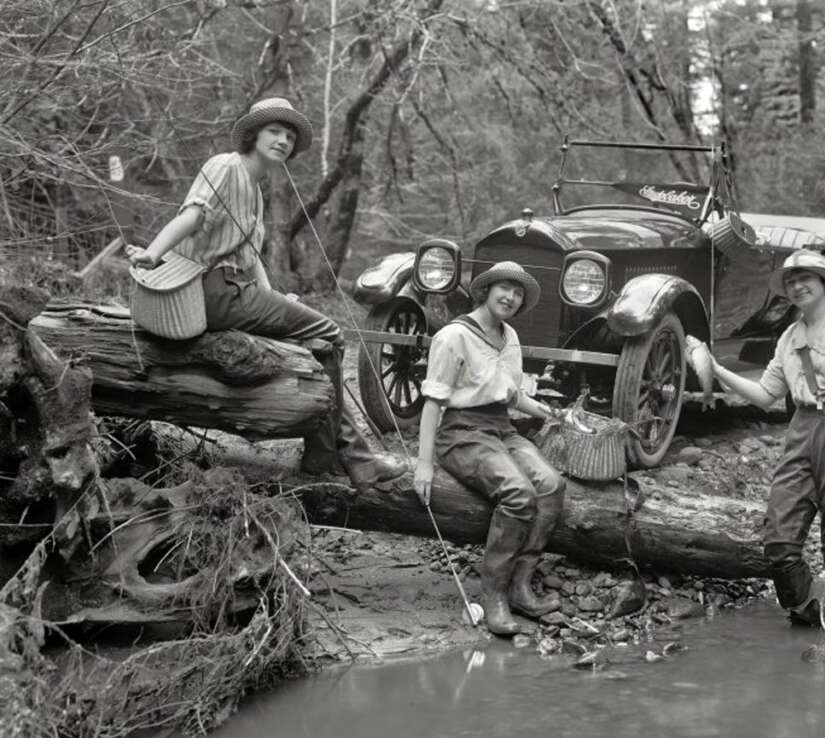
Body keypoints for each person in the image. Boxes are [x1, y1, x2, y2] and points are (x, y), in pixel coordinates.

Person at [126, 97, 406, 491]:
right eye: (275, 131)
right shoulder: (225, 166)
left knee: (320, 345)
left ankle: (334, 458)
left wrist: (276, 299)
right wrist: (152, 253)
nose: (283, 140)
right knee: (331, 332)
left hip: (235, 290)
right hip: (212, 291)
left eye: (289, 136)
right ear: (254, 134)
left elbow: (250, 257)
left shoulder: (255, 191)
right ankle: (346, 459)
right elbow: (191, 215)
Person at [706, 250, 825, 625]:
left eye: (806, 278)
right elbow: (766, 393)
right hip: (801, 429)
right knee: (779, 540)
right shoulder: (789, 336)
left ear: (824, 283)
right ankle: (803, 610)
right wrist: (719, 370)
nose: (798, 285)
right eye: (791, 280)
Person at [413, 262, 565, 636]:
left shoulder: (509, 335)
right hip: (462, 432)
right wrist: (424, 464)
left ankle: (521, 586)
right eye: (505, 288)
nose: (511, 298)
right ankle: (494, 593)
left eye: (518, 293)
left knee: (551, 483)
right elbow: (433, 403)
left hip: (501, 427)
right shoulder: (453, 336)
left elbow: (512, 394)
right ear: (486, 290)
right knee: (518, 493)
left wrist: (553, 413)